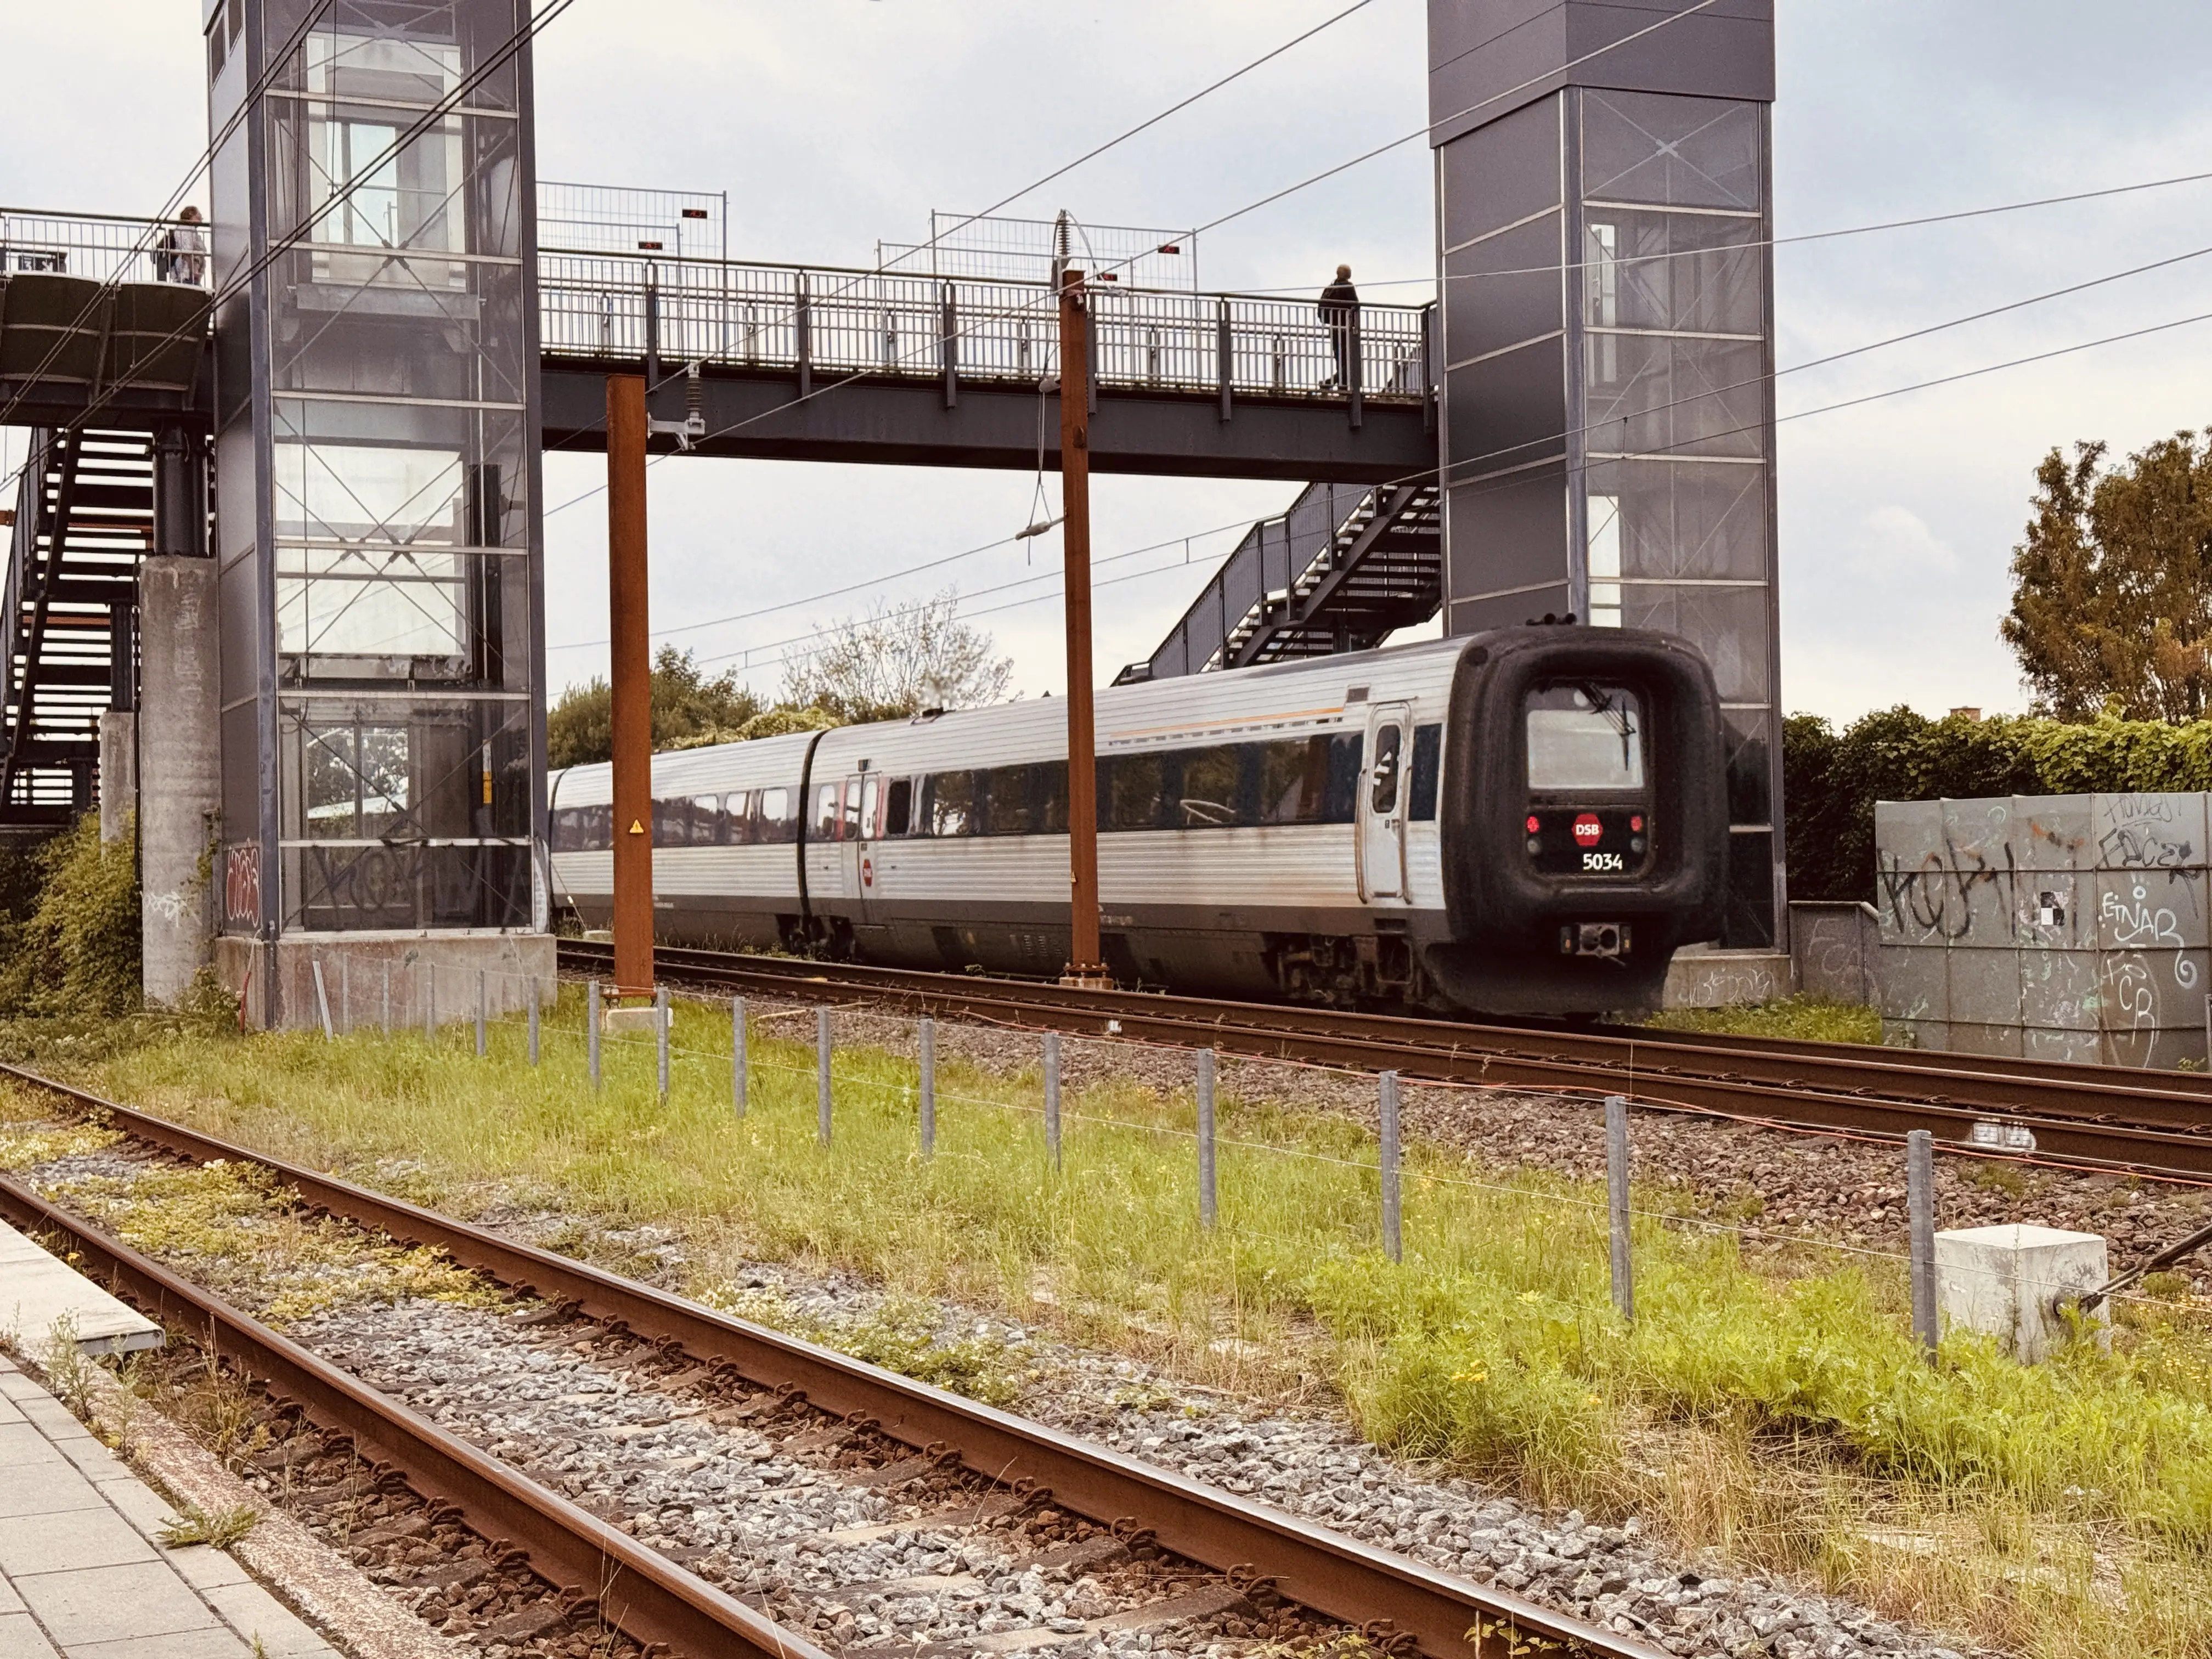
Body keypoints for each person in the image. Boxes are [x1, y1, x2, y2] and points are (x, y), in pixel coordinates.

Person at [1318, 263, 1359, 391]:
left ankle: (1339, 385)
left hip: (1334, 328)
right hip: (1346, 328)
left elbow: (1320, 311)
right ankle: (1335, 384)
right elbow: (1356, 305)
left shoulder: (1330, 288)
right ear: (1348, 275)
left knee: (1340, 358)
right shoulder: (1348, 286)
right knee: (1350, 359)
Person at [156, 206, 206, 285]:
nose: (201, 217)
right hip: (187, 273)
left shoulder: (188, 229)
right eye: (199, 214)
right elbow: (187, 251)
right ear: (191, 214)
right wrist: (193, 272)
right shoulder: (186, 228)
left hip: (188, 273)